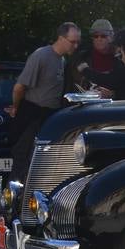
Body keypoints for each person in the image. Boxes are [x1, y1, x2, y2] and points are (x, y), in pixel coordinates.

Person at [8, 22, 80, 180]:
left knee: (41, 162)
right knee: (23, 160)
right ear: (61, 38)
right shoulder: (41, 55)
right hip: (32, 114)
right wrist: (15, 106)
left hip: (48, 116)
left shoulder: (61, 61)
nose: (75, 45)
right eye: (72, 41)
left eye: (77, 42)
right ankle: (15, 198)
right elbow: (19, 87)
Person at [88, 32, 125, 100]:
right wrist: (114, 94)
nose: (116, 49)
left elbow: (107, 79)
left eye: (119, 47)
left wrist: (84, 69)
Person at [70, 19, 116, 89]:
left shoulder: (120, 58)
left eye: (103, 36)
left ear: (111, 37)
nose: (99, 39)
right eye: (95, 36)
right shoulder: (81, 58)